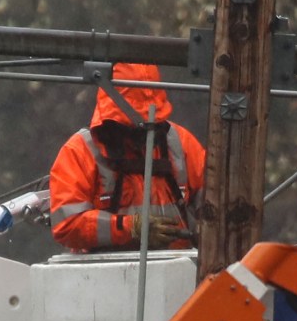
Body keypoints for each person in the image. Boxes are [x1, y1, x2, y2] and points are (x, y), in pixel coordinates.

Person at [48, 63, 208, 252]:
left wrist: (206, 230)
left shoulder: (181, 143)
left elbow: (218, 204)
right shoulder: (80, 151)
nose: (143, 133)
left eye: (151, 123)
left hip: (179, 270)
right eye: (134, 124)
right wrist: (131, 228)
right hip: (101, 274)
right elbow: (66, 225)